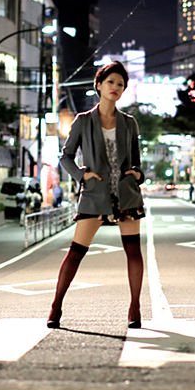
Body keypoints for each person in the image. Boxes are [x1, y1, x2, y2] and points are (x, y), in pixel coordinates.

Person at [48, 61, 146, 330]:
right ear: (99, 85)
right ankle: (56, 305)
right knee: (76, 253)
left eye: (121, 84)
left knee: (133, 251)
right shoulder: (83, 121)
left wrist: (138, 175)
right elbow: (65, 157)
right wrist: (81, 176)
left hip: (126, 195)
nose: (116, 87)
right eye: (111, 82)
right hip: (95, 195)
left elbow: (136, 161)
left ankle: (135, 306)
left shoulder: (129, 123)